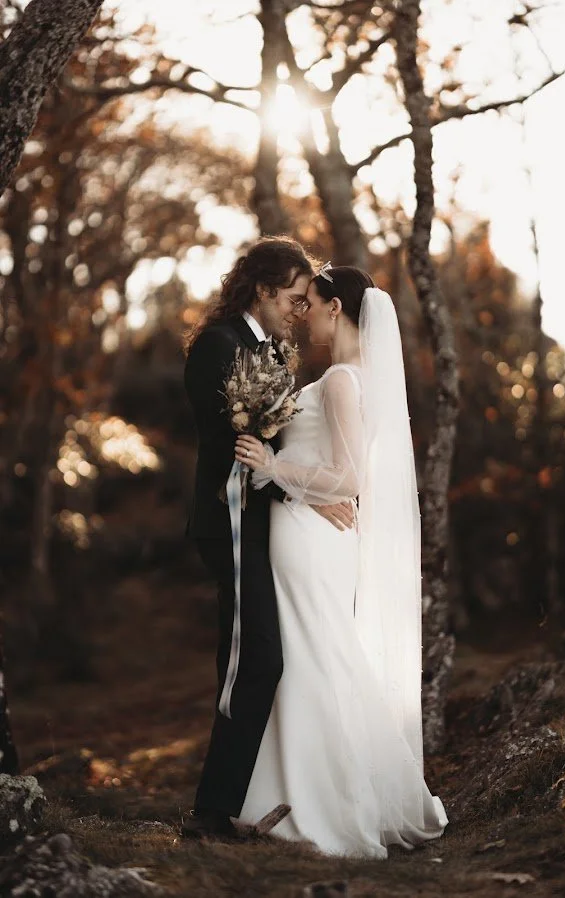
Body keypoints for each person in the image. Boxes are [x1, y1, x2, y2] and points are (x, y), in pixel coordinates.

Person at [235, 264, 448, 858]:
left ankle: (323, 804)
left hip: (308, 535)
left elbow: (350, 478)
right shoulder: (349, 379)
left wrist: (273, 468)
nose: (303, 314)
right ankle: (300, 795)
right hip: (310, 529)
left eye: (312, 303)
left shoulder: (341, 382)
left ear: (336, 309)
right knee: (314, 655)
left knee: (314, 658)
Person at [181, 239, 355, 840]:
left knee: (261, 657)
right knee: (253, 658)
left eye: (307, 302)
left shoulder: (272, 354)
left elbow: (273, 450)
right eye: (293, 297)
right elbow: (236, 447)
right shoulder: (219, 344)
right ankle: (212, 811)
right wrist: (298, 491)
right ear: (262, 287)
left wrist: (309, 492)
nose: (300, 310)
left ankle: (226, 804)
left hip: (261, 528)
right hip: (228, 524)